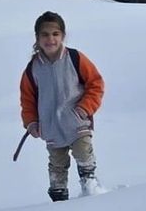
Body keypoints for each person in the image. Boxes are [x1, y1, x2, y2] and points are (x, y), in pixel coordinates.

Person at [20, 11, 104, 202]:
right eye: (45, 34)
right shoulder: (32, 69)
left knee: (83, 152)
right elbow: (27, 100)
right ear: (37, 38)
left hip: (77, 122)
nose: (51, 39)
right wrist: (31, 122)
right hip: (50, 127)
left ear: (63, 36)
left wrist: (85, 108)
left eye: (55, 34)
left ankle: (90, 186)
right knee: (57, 165)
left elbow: (96, 83)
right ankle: (59, 198)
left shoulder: (75, 58)